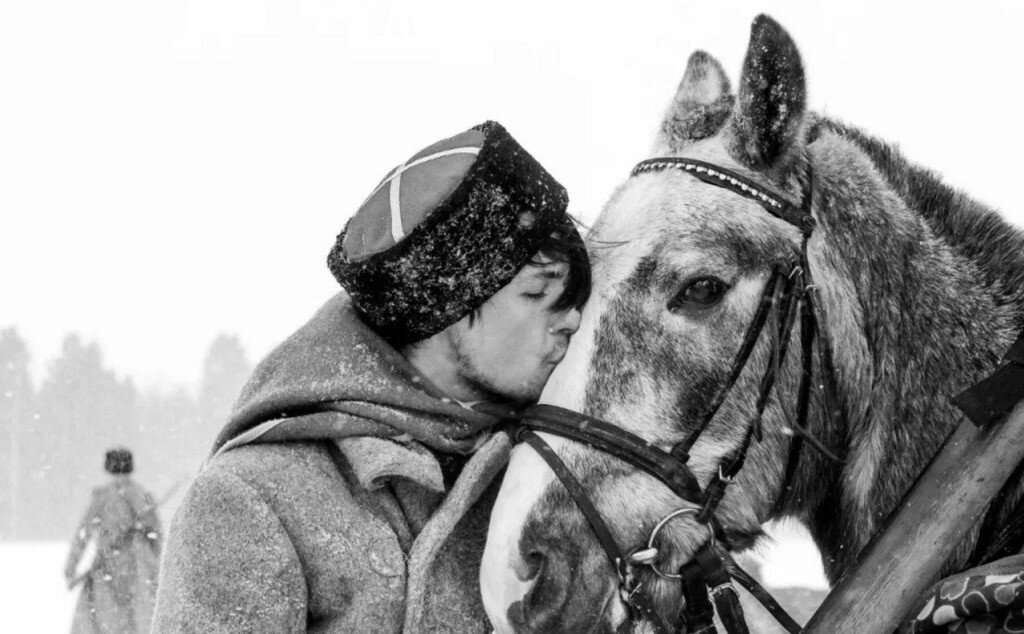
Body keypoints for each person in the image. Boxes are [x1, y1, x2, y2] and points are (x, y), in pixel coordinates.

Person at [152, 121, 590, 632]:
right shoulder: (253, 497)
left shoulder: (562, 478)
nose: (572, 320)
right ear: (446, 307)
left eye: (575, 297)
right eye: (537, 294)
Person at [64, 447, 162, 634]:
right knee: (135, 621)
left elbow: (83, 534)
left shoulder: (103, 497)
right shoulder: (141, 496)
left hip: (108, 570)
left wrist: (71, 565)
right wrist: (156, 567)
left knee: (102, 622)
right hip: (134, 570)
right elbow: (156, 537)